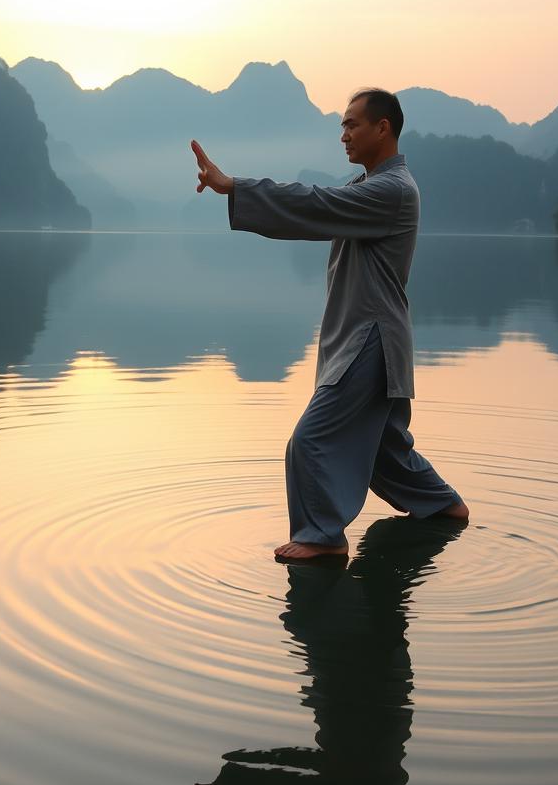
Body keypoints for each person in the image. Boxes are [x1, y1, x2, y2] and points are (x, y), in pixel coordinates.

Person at [190, 88, 469, 562]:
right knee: (383, 453)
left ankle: (323, 536)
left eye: (351, 124)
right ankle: (444, 506)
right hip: (365, 338)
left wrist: (236, 186)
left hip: (370, 340)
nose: (343, 135)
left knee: (311, 441)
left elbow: (315, 205)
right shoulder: (369, 187)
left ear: (383, 128)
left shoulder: (392, 191)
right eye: (342, 125)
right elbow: (322, 205)